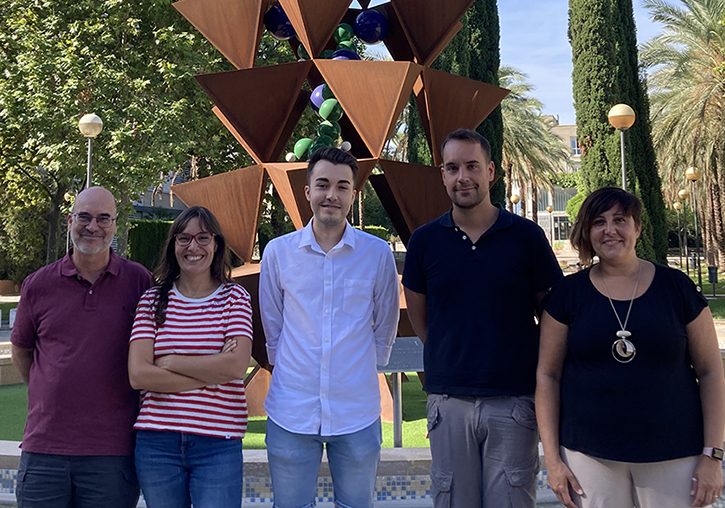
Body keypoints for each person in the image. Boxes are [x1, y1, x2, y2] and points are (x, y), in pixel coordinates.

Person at [402, 128, 563, 508]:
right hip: (448, 401)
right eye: (453, 167)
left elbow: (552, 317)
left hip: (514, 402)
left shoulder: (527, 238)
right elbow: (422, 320)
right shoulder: (425, 242)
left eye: (472, 166)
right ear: (442, 174)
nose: (463, 177)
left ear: (490, 171)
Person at [536, 187, 725, 508]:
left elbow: (710, 371)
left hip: (674, 452)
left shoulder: (676, 288)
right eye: (599, 222)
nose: (610, 230)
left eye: (620, 220)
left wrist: (713, 455)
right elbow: (547, 376)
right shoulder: (567, 294)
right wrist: (553, 461)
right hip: (590, 456)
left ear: (637, 228)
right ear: (587, 232)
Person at [259, 146, 400, 508]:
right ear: (308, 192)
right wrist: (287, 366)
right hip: (292, 411)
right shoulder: (278, 253)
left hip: (357, 412)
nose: (331, 195)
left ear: (353, 194)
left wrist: (374, 361)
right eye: (322, 185)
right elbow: (272, 324)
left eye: (342, 186)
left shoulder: (377, 253)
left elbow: (386, 318)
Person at [10, 186, 153, 508]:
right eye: (85, 217)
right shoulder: (38, 284)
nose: (93, 227)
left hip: (112, 452)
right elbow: (21, 350)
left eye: (104, 218)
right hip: (45, 447)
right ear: (70, 220)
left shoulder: (139, 282)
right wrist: (47, 391)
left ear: (115, 224)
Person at [127, 206, 253, 508]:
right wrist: (211, 373)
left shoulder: (234, 298)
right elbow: (139, 375)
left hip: (217, 444)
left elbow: (236, 366)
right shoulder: (152, 299)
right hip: (158, 444)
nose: (192, 246)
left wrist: (171, 362)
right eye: (183, 238)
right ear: (173, 246)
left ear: (216, 244)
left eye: (202, 238)